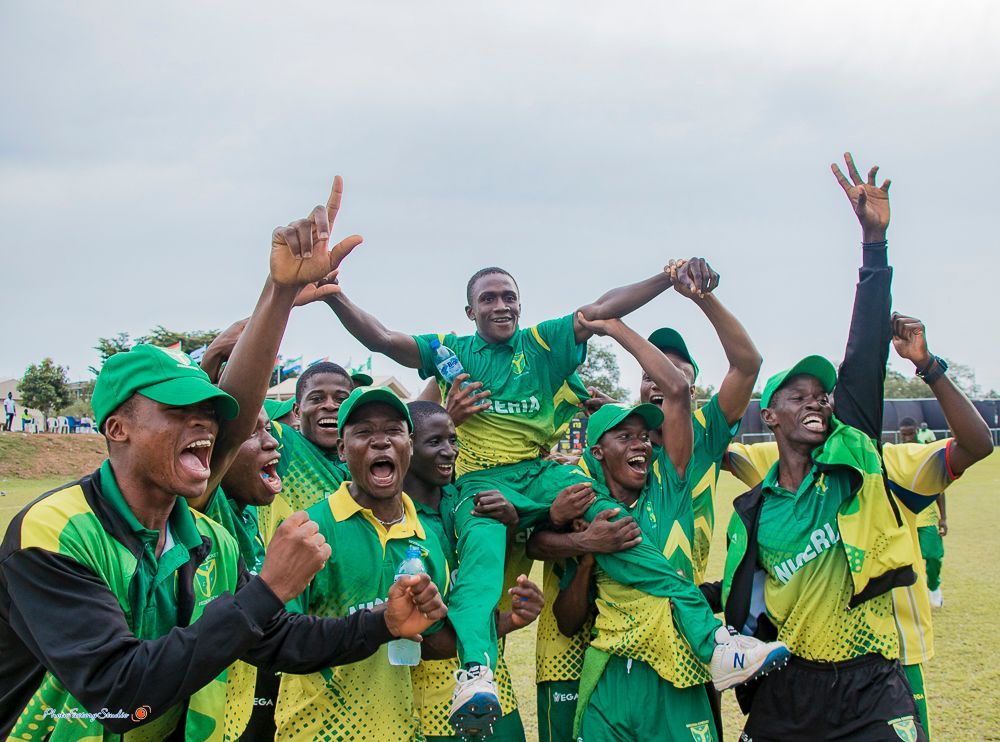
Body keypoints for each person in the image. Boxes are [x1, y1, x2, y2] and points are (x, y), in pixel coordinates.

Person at [0, 177, 447, 740]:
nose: (205, 425)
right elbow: (119, 691)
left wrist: (381, 623)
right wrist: (268, 589)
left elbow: (278, 640)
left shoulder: (208, 540)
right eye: (178, 411)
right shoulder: (56, 531)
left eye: (210, 414)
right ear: (116, 428)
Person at [296, 248, 714, 734]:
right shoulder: (453, 354)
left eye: (509, 297)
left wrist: (668, 277)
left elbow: (600, 310)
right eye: (488, 299)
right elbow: (385, 339)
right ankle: (476, 669)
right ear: (470, 312)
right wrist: (335, 295)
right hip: (480, 499)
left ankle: (712, 638)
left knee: (614, 523)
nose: (501, 306)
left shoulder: (543, 345)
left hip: (538, 481)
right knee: (486, 549)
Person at [724, 314, 992, 738]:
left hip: (878, 670)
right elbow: (707, 442)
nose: (816, 403)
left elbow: (977, 445)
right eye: (799, 397)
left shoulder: (877, 466)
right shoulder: (761, 490)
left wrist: (929, 366)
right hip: (793, 678)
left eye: (822, 397)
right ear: (771, 416)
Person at [527, 315, 787, 741]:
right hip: (611, 667)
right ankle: (718, 642)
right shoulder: (584, 491)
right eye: (626, 436)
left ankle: (715, 642)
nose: (639, 444)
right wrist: (583, 545)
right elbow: (539, 543)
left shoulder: (673, 478)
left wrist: (613, 325)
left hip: (679, 658)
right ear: (598, 451)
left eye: (641, 436)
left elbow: (681, 390)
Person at [273, 387, 453, 740]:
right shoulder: (308, 530)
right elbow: (279, 640)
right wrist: (377, 623)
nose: (381, 442)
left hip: (399, 730)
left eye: (392, 431)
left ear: (410, 445)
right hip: (315, 732)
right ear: (342, 449)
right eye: (364, 432)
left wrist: (437, 616)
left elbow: (429, 642)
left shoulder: (426, 537)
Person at [405, 400, 544, 740]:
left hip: (498, 696)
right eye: (435, 441)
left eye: (453, 440)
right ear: (405, 446)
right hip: (429, 709)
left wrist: (510, 523)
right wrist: (510, 622)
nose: (449, 451)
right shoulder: (396, 519)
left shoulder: (470, 500)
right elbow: (423, 638)